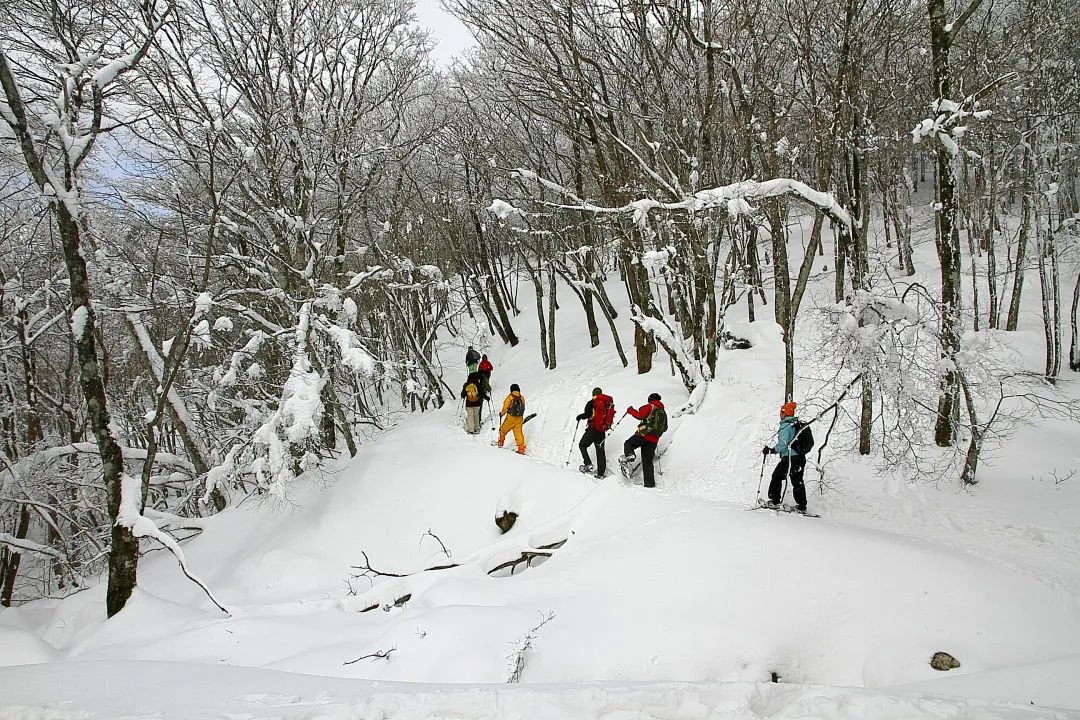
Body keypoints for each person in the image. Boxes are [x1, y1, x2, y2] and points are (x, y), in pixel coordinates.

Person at [763, 401, 808, 513]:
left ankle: (774, 501)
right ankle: (802, 506)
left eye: (781, 412)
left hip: (789, 458)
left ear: (785, 413)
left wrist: (771, 450)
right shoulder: (795, 424)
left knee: (777, 476)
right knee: (797, 480)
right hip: (800, 458)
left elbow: (783, 445)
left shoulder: (785, 426)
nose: (780, 414)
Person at [620, 393, 666, 488]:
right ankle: (649, 484)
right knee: (647, 461)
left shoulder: (650, 406)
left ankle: (630, 455)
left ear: (650, 399)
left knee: (629, 443)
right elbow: (665, 428)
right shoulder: (662, 411)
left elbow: (640, 416)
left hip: (644, 435)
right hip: (654, 440)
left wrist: (630, 410)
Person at [576, 387, 615, 478]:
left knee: (582, 445)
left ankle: (588, 464)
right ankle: (601, 473)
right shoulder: (607, 403)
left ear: (593, 394)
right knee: (600, 451)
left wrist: (579, 417)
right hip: (602, 430)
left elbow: (587, 414)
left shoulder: (592, 402)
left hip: (593, 429)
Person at [498, 383, 527, 454]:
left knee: (503, 430)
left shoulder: (510, 397)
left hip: (511, 418)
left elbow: (505, 407)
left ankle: (500, 443)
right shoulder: (522, 397)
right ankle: (521, 449)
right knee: (518, 433)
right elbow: (523, 407)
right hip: (519, 418)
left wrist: (502, 413)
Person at [460, 370, 489, 434]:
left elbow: (462, 395)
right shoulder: (477, 384)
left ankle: (471, 429)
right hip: (477, 403)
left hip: (469, 404)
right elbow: (481, 393)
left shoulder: (466, 384)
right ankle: (477, 428)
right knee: (476, 415)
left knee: (470, 416)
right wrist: (487, 398)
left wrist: (465, 395)